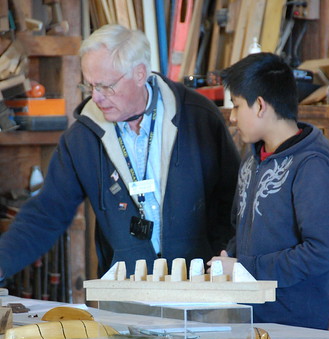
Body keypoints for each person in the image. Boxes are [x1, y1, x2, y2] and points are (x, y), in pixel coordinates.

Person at [0, 24, 240, 282]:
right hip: (123, 290)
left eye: (106, 87)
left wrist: (220, 264)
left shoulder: (197, 117)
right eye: (89, 86)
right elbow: (46, 213)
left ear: (139, 74)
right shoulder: (82, 138)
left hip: (200, 285)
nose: (96, 98)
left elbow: (234, 202)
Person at [208, 52, 329, 330]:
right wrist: (231, 257)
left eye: (237, 106)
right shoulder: (253, 158)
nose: (232, 117)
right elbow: (238, 229)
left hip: (293, 326)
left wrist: (244, 269)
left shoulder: (313, 164)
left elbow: (322, 251)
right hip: (248, 319)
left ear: (261, 106)